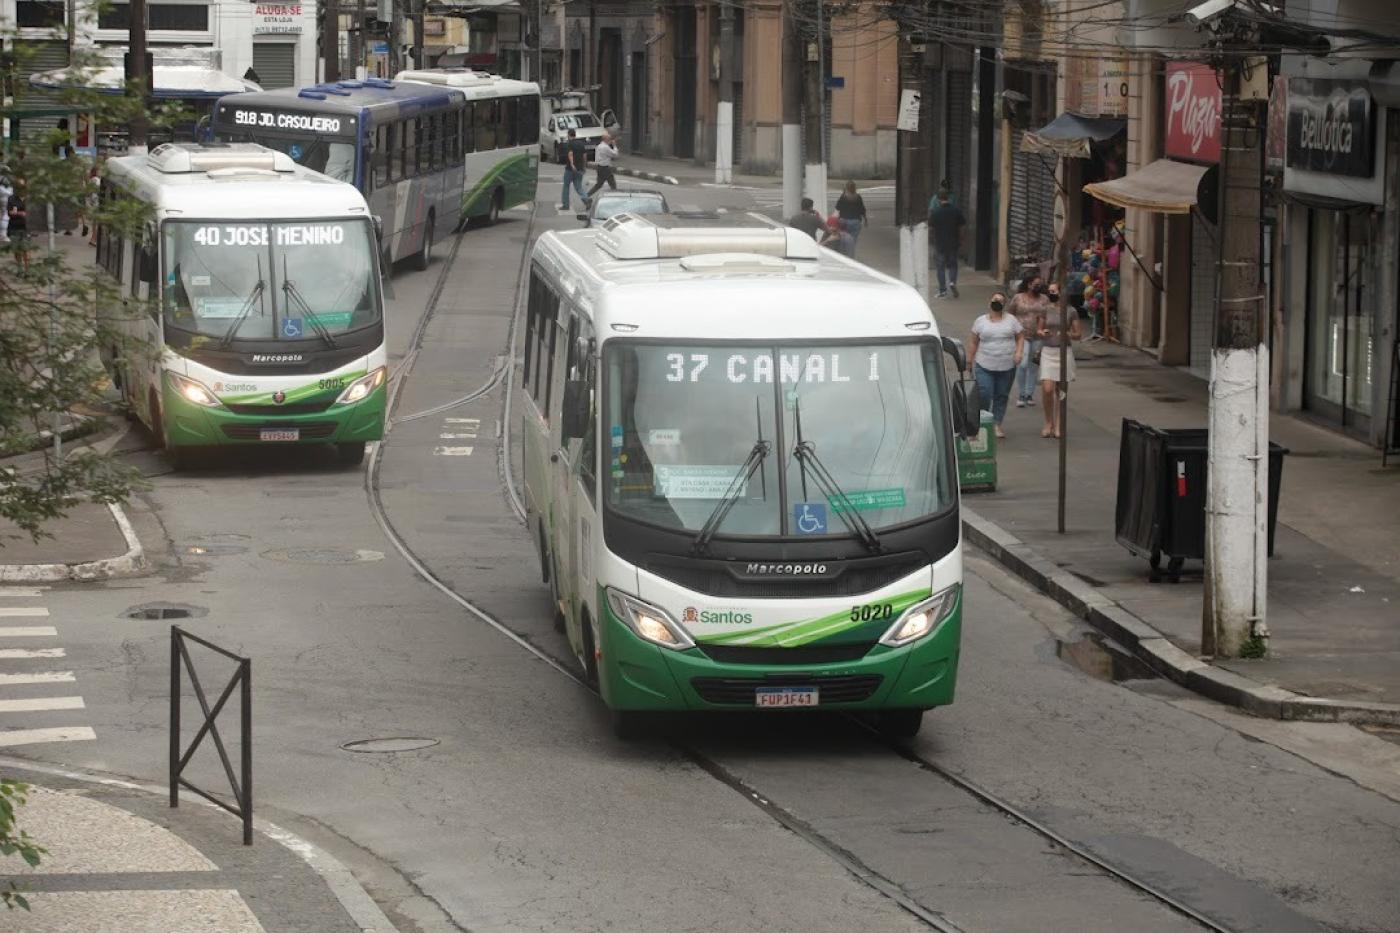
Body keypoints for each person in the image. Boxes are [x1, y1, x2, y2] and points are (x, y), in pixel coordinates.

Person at [966, 292, 1024, 438]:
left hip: (1006, 366)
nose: (997, 302)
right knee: (985, 393)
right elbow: (974, 341)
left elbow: (1020, 337)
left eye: (1000, 301)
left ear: (1004, 305)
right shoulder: (980, 321)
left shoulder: (1012, 321)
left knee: (1001, 395)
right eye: (994, 300)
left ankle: (996, 423)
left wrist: (1019, 352)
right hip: (984, 364)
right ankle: (983, 421)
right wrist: (969, 359)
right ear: (989, 302)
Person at [1036, 284, 1083, 438]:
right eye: (1049, 291)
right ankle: (1048, 421)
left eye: (1054, 291)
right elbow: (1039, 329)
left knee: (1061, 390)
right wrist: (1043, 332)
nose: (1051, 294)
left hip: (1064, 352)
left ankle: (1059, 424)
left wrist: (1068, 334)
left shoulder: (1071, 311)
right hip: (1048, 351)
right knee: (1047, 389)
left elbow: (1078, 334)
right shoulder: (1045, 309)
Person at [1009, 275, 1049, 407]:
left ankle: (1029, 393)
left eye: (1040, 284)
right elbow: (1011, 314)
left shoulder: (1044, 299)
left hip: (1038, 336)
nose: (1038, 286)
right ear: (1028, 284)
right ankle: (1021, 393)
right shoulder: (1018, 298)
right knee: (1023, 364)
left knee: (1033, 365)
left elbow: (1048, 315)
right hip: (1021, 336)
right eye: (1035, 284)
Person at [928, 187, 965, 298]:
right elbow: (962, 226)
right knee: (953, 265)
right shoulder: (956, 210)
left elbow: (931, 227)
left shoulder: (936, 212)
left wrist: (932, 239)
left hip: (940, 244)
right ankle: (952, 282)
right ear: (948, 198)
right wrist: (961, 239)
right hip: (953, 242)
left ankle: (943, 291)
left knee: (940, 267)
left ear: (938, 199)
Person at [560, 129, 589, 211]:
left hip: (570, 169)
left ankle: (566, 205)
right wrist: (584, 166)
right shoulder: (581, 144)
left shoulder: (570, 144)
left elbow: (570, 154)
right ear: (575, 135)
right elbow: (584, 155)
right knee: (578, 187)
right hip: (580, 168)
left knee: (566, 186)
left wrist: (572, 164)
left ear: (569, 135)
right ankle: (586, 200)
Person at [834, 181, 867, 251]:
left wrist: (843, 194)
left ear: (846, 188)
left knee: (843, 239)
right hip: (856, 221)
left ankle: (844, 253)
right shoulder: (858, 197)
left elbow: (837, 207)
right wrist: (866, 220)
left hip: (843, 221)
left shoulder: (843, 197)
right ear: (855, 188)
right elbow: (862, 210)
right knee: (853, 240)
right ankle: (850, 255)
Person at [587, 132, 619, 199]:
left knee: (598, 185)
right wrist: (615, 146)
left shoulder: (599, 146)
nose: (610, 141)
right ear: (606, 139)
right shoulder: (605, 147)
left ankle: (586, 196)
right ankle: (616, 198)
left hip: (599, 167)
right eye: (609, 139)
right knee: (613, 184)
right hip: (605, 168)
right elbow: (615, 155)